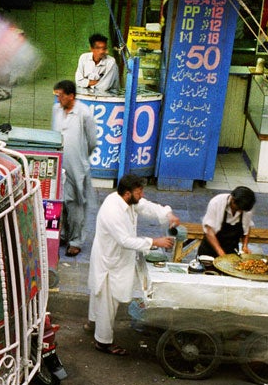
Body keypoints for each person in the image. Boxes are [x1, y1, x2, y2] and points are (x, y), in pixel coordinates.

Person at [87, 175, 176, 352]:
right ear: (128, 193)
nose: (142, 195)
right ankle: (103, 342)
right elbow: (125, 240)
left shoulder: (127, 200)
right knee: (107, 301)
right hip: (110, 260)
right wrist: (154, 242)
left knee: (101, 296)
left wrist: (168, 214)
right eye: (139, 192)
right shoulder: (112, 210)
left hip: (115, 257)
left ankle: (93, 324)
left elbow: (146, 206)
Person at [51, 80, 100, 257]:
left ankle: (76, 241)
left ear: (71, 96)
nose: (58, 99)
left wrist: (79, 157)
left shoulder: (84, 114)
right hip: (60, 164)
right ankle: (63, 234)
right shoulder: (57, 110)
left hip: (77, 167)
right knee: (61, 202)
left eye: (61, 95)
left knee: (76, 206)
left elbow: (92, 141)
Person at [201, 184, 258, 258]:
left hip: (231, 250)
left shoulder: (246, 208)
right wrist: (222, 254)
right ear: (233, 200)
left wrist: (245, 246)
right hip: (210, 250)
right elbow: (209, 232)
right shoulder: (216, 203)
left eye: (242, 210)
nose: (240, 212)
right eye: (238, 209)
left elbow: (246, 228)